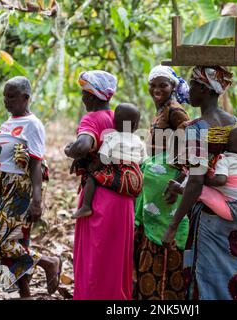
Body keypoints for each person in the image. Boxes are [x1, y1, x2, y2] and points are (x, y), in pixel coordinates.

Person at [162, 66, 237, 300]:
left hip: (209, 215)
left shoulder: (197, 128)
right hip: (236, 209)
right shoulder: (235, 122)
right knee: (231, 270)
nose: (188, 90)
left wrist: (173, 224)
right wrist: (179, 181)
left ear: (205, 90)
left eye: (192, 85)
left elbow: (197, 180)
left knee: (206, 276)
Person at [0, 76, 61, 298]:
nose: (5, 101)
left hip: (19, 192)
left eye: (11, 96)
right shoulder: (9, 121)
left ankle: (48, 262)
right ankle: (24, 292)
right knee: (17, 241)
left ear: (25, 98)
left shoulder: (33, 124)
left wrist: (37, 201)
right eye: (4, 96)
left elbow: (36, 163)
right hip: (2, 193)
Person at [64, 70, 134, 300]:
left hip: (100, 199)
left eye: (84, 94)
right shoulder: (118, 118)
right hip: (123, 198)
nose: (83, 99)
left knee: (95, 261)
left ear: (91, 96)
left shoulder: (92, 119)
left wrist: (70, 150)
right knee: (116, 260)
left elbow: (83, 145)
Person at [133, 65, 190, 300]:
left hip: (169, 188)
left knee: (168, 240)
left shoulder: (176, 111)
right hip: (154, 188)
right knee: (150, 239)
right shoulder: (161, 110)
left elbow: (191, 146)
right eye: (153, 85)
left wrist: (179, 180)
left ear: (172, 87)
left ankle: (167, 296)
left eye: (163, 85)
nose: (157, 89)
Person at [168, 126, 237, 222]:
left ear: (227, 144)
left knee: (199, 187)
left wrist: (203, 180)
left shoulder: (225, 160)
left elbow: (221, 180)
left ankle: (180, 188)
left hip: (233, 210)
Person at [72, 103, 146, 218]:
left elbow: (103, 156)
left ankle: (86, 206)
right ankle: (134, 214)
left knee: (92, 177)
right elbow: (143, 160)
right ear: (135, 126)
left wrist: (95, 166)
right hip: (135, 178)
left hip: (119, 174)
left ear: (114, 123)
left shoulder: (113, 137)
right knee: (136, 193)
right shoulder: (139, 141)